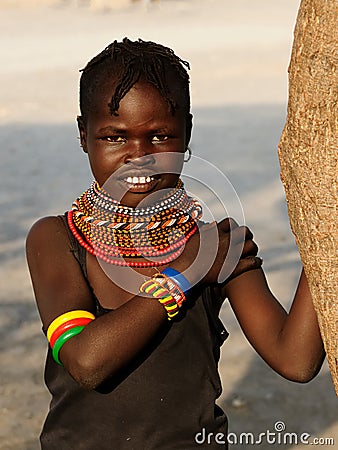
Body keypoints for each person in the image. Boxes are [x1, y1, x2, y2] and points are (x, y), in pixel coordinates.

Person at [26, 38, 324, 449]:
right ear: (84, 135)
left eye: (160, 136)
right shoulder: (58, 238)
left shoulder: (218, 243)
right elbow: (86, 361)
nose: (140, 156)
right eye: (115, 137)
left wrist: (326, 239)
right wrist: (186, 271)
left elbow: (297, 360)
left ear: (187, 133)